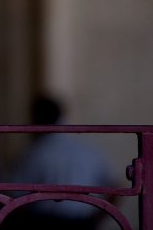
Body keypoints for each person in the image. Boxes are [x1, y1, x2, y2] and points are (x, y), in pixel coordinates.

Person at [7, 95, 117, 230]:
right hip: (82, 223)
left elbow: (15, 195)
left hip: (43, 223)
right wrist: (94, 221)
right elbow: (115, 188)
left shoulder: (34, 153)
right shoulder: (88, 151)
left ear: (35, 118)